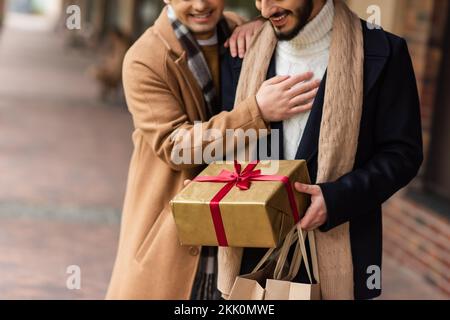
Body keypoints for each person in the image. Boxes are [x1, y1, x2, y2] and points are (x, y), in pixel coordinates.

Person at [106, 0, 319, 300]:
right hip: (174, 232)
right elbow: (175, 147)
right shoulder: (144, 58)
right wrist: (257, 111)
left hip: (238, 220)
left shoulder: (236, 28)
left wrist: (262, 27)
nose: (201, 4)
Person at [219, 0, 423, 300]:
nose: (264, 9)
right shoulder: (241, 52)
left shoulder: (385, 52)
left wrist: (336, 199)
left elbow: (403, 154)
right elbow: (226, 146)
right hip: (250, 255)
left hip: (338, 252)